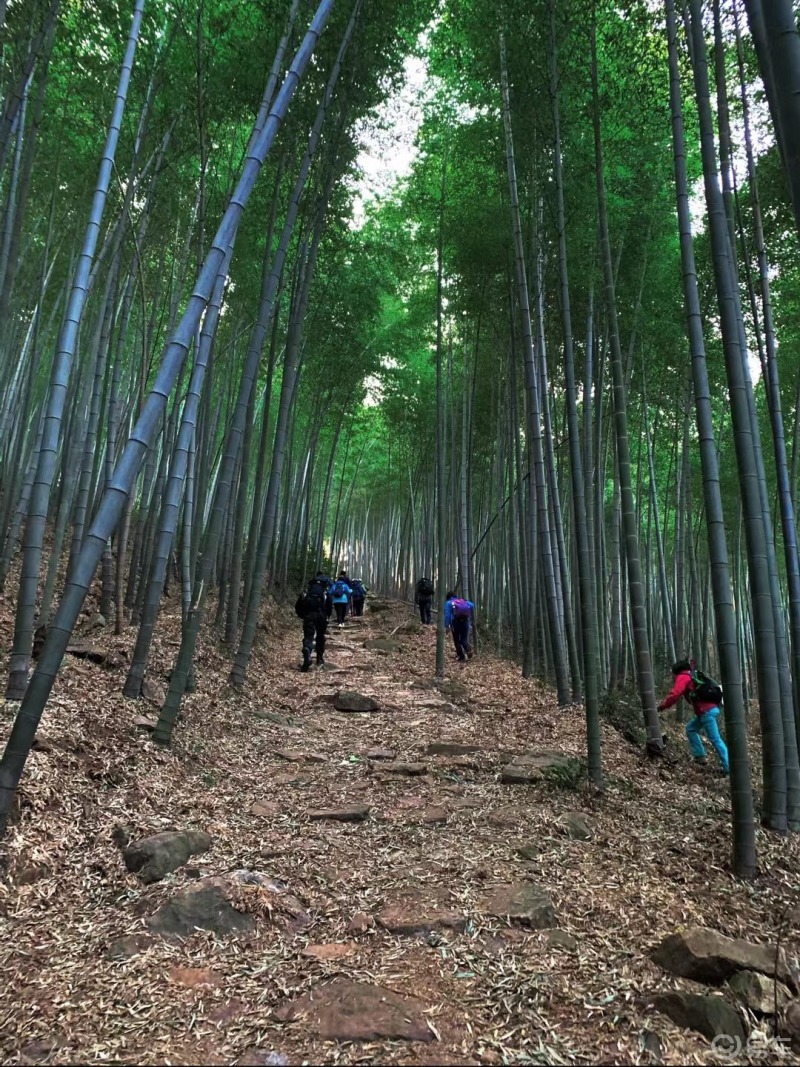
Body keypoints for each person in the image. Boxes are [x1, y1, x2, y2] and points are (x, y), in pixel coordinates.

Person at [657, 659, 729, 774]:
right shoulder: (691, 674)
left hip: (706, 711)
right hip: (709, 710)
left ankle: (729, 768)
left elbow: (675, 694)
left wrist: (662, 706)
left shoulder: (683, 677)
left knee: (715, 739)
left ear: (677, 671)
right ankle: (700, 757)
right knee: (691, 728)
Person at [295, 575, 332, 672]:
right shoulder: (325, 593)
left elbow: (298, 606)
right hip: (321, 617)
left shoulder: (307, 592)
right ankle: (319, 658)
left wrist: (303, 615)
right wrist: (327, 616)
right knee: (320, 636)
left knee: (308, 636)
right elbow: (329, 607)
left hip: (309, 616)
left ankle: (307, 650)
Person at [444, 590, 475, 663]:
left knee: (456, 641)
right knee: (463, 640)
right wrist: (464, 602)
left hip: (455, 623)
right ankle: (468, 649)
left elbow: (447, 615)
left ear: (448, 597)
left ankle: (461, 656)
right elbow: (472, 605)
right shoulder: (461, 601)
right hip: (465, 622)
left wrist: (446, 625)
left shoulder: (448, 603)